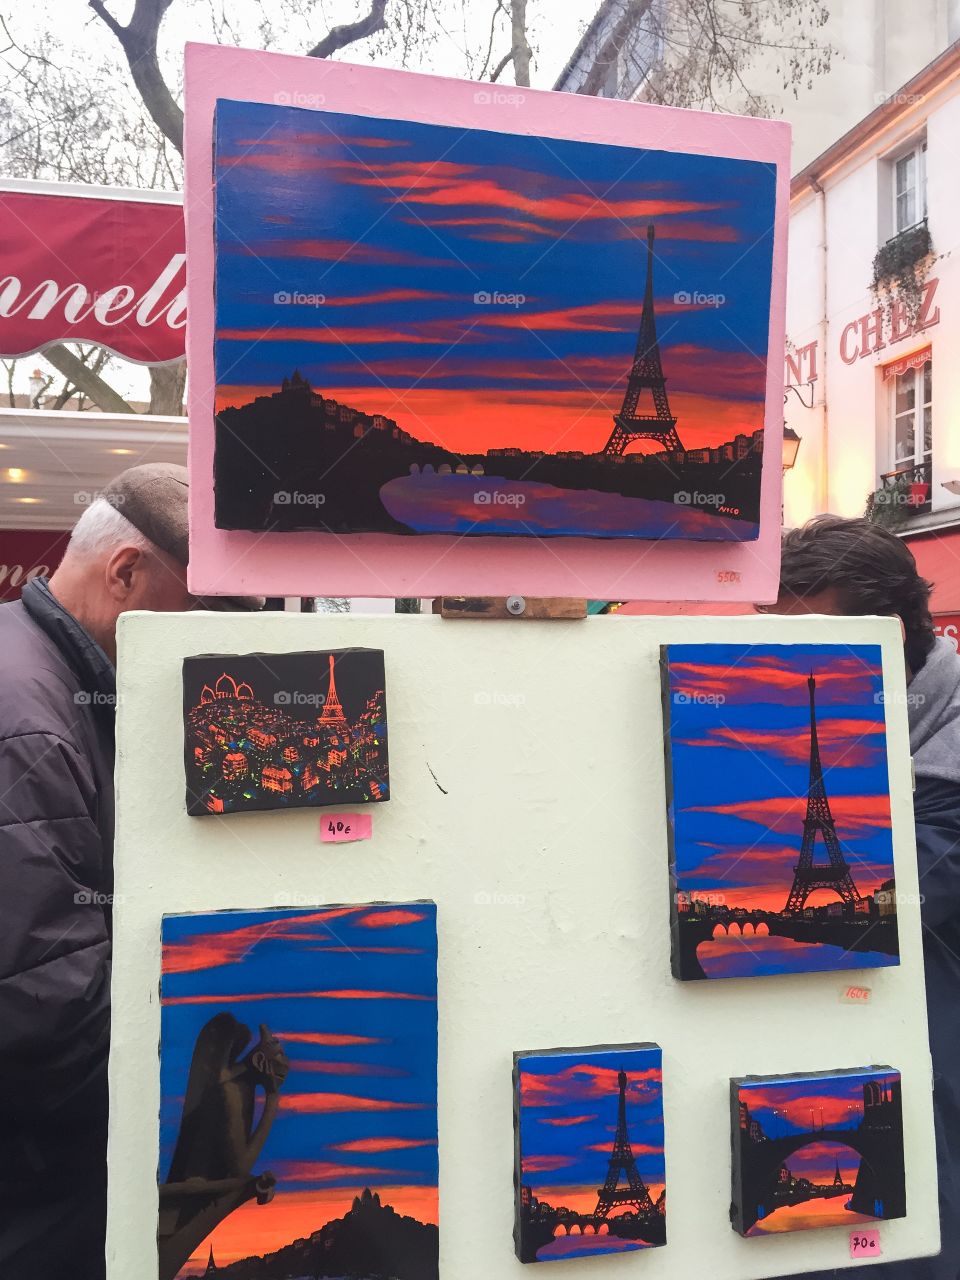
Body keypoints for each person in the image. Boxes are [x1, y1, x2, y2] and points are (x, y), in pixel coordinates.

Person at [0, 464, 259, 1280]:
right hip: (43, 1185)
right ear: (125, 573)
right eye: (197, 614)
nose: (203, 646)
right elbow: (46, 1012)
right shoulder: (35, 723)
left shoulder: (40, 671)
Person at [763, 514, 960, 1280]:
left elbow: (875, 908)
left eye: (809, 641)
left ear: (896, 638)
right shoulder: (810, 718)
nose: (786, 664)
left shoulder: (942, 757)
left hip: (920, 1089)